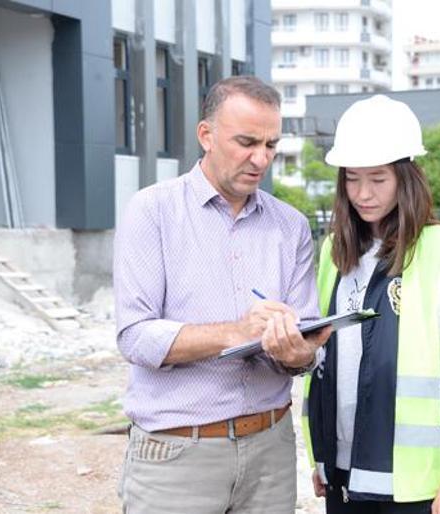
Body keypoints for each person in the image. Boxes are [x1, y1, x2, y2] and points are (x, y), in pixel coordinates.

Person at [114, 75, 330, 514]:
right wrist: (237, 332)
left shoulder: (291, 227)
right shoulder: (152, 212)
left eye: (271, 145)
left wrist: (298, 352)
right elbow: (135, 337)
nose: (261, 158)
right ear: (206, 135)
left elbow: (308, 351)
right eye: (247, 142)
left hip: (271, 451)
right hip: (178, 458)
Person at [303, 95, 440, 514]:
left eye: (378, 179)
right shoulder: (335, 251)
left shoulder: (439, 251)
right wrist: (322, 455)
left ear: (406, 177)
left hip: (409, 480)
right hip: (343, 470)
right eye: (351, 179)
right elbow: (325, 362)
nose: (362, 193)